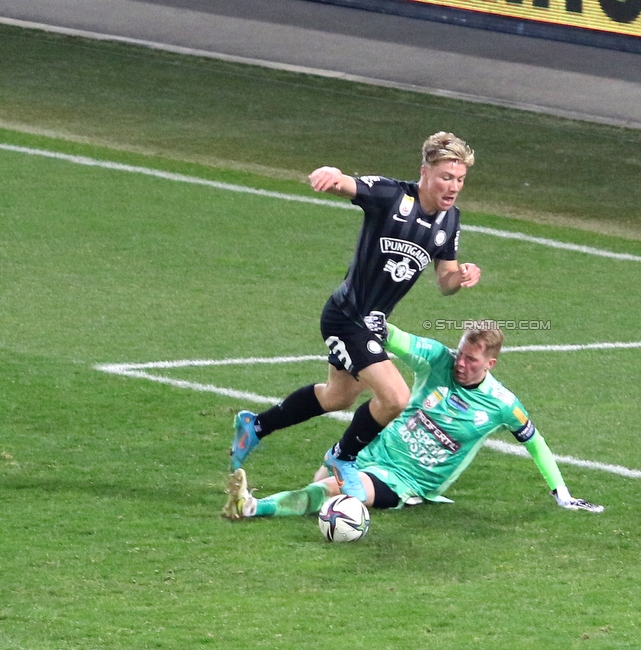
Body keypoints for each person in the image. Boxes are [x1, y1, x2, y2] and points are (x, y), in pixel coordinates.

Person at [229, 132, 482, 503]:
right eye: (446, 176)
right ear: (424, 172)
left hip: (373, 324)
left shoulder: (449, 220)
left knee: (337, 397)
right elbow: (349, 185)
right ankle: (343, 457)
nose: (453, 186)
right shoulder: (392, 196)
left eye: (460, 179)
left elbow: (445, 280)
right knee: (396, 398)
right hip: (347, 316)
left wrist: (458, 278)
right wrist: (331, 174)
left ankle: (256, 425)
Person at [222, 322, 603, 519]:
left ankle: (253, 507)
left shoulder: (503, 404)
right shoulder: (438, 360)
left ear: (491, 364)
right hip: (368, 450)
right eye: (461, 353)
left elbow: (534, 441)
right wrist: (366, 320)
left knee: (329, 491)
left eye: (472, 360)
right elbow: (398, 339)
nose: (461, 363)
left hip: (404, 481)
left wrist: (562, 494)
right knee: (319, 489)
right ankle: (267, 500)